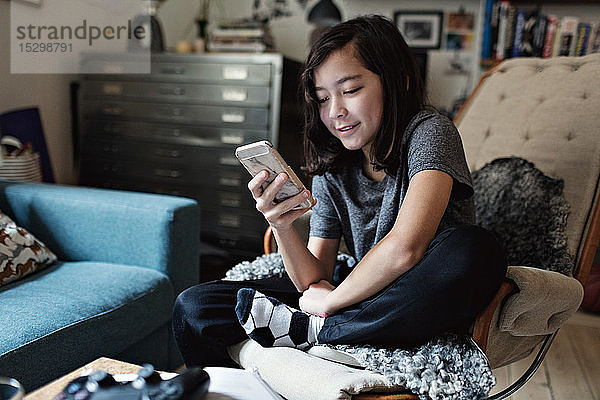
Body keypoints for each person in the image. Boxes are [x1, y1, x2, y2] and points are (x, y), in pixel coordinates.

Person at [172, 15, 507, 368]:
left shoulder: (430, 132)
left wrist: (330, 307)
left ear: (399, 83)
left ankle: (321, 331)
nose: (335, 113)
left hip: (417, 293)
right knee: (195, 307)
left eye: (350, 90)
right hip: (361, 293)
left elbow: (406, 249)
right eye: (321, 98)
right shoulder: (334, 165)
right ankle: (335, 329)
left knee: (476, 249)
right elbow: (315, 278)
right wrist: (282, 226)